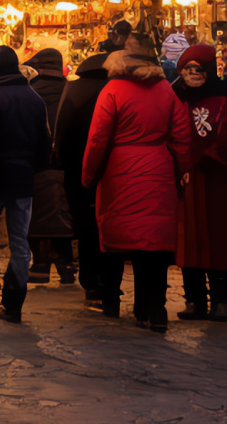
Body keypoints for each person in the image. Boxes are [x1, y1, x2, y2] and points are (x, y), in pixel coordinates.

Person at [82, 33, 191, 332]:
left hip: (120, 171)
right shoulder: (166, 90)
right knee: (153, 245)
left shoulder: (113, 90)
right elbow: (181, 136)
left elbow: (97, 138)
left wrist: (89, 174)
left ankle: (111, 301)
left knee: (120, 239)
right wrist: (182, 169)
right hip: (158, 169)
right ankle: (154, 309)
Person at [0, 44, 52, 322]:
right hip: (22, 179)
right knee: (19, 241)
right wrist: (31, 169)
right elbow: (45, 143)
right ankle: (14, 304)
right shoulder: (35, 99)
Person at [171, 44, 227, 321]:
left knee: (218, 238)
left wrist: (208, 156)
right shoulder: (174, 97)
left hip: (217, 178)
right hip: (186, 179)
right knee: (188, 239)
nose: (193, 74)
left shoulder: (222, 97)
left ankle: (222, 300)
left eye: (198, 69)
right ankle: (194, 299)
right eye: (187, 69)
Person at [53, 50, 110, 308]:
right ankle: (109, 283)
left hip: (78, 169)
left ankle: (91, 284)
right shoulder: (116, 88)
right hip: (111, 170)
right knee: (107, 226)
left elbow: (61, 131)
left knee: (86, 228)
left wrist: (65, 166)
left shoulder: (74, 89)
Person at [24, 47, 75, 286]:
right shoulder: (73, 92)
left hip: (35, 163)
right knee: (64, 212)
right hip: (68, 164)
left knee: (37, 212)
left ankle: (40, 263)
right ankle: (65, 260)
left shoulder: (30, 92)